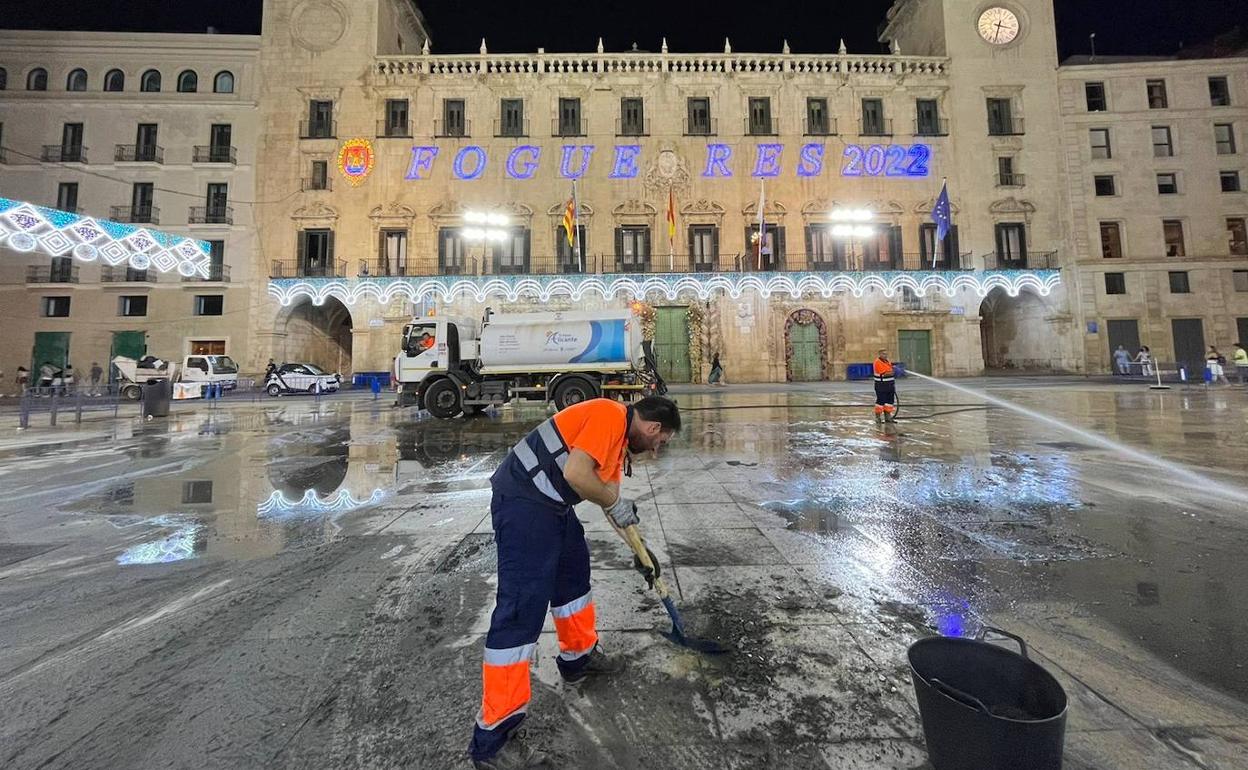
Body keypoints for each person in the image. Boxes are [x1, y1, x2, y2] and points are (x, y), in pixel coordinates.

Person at [469, 396, 681, 769]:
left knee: (573, 579)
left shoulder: (617, 444)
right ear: (653, 428)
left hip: (551, 506)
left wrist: (641, 552)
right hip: (523, 503)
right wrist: (615, 504)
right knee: (521, 610)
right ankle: (493, 739)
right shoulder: (608, 416)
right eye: (661, 442)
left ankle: (578, 658)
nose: (657, 449)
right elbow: (578, 476)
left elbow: (609, 501)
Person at [873, 349, 897, 424]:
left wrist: (893, 370)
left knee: (889, 401)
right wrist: (893, 372)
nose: (885, 355)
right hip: (881, 385)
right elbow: (885, 373)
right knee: (881, 401)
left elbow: (890, 370)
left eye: (886, 354)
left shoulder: (887, 362)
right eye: (883, 354)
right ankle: (878, 417)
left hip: (890, 385)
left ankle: (888, 417)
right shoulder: (877, 362)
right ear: (880, 354)